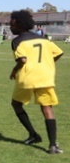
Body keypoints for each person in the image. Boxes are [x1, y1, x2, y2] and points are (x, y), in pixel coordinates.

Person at [9, 10, 63, 154]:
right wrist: (46, 65)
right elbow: (58, 53)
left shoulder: (17, 41)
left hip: (27, 78)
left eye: (12, 24)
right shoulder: (44, 39)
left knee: (16, 104)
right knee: (47, 108)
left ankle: (33, 135)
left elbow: (23, 60)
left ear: (20, 25)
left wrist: (14, 71)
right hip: (45, 77)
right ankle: (53, 145)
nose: (10, 27)